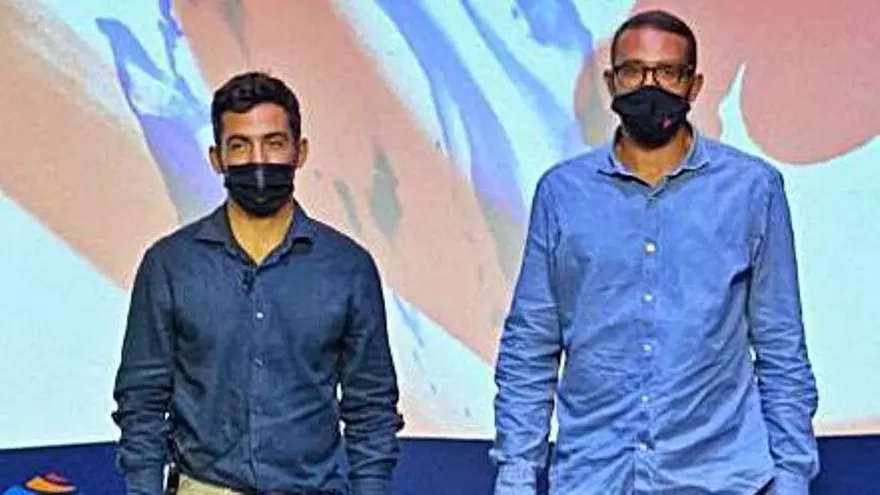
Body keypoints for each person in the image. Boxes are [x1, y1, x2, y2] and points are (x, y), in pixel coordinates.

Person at [491, 10, 818, 494]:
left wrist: (791, 479)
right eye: (633, 71)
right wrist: (516, 477)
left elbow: (780, 347)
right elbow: (530, 345)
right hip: (594, 477)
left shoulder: (752, 189)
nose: (650, 86)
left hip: (719, 478)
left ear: (694, 85)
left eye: (668, 72)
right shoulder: (563, 194)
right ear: (611, 82)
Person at [112, 71, 403, 494]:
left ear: (300, 151)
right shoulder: (170, 265)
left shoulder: (347, 268)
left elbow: (371, 409)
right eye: (240, 146)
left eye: (274, 142)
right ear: (217, 159)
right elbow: (141, 401)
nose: (258, 160)